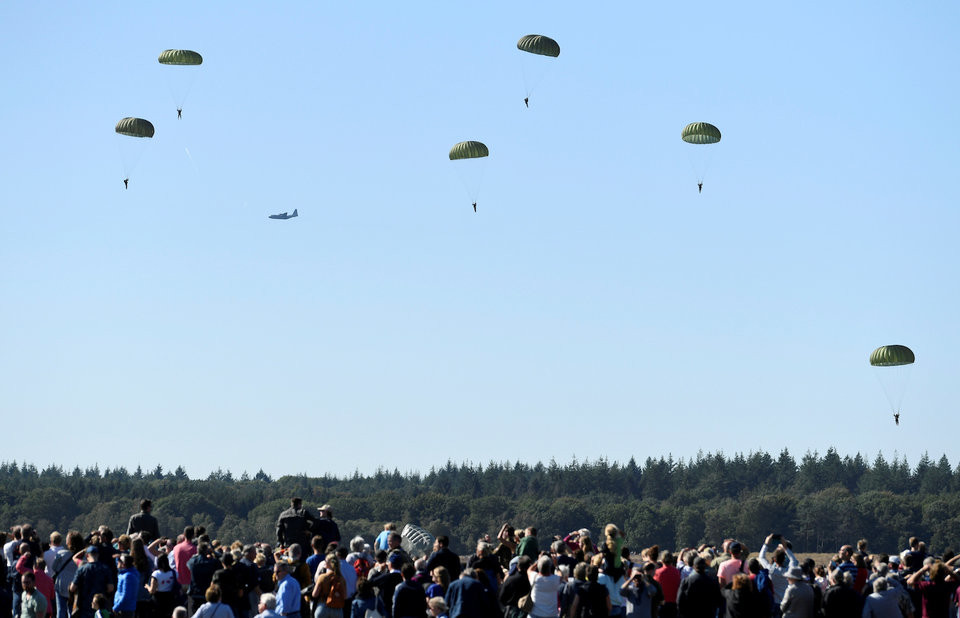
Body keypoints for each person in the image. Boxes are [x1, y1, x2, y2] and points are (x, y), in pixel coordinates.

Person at [70, 547, 114, 618]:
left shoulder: (82, 569)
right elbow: (110, 588)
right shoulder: (105, 569)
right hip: (100, 605)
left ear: (87, 555)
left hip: (84, 606)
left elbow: (72, 588)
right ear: (98, 555)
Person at [149, 554, 178, 618]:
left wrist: (147, 587)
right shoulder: (174, 572)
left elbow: (152, 590)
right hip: (170, 598)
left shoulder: (156, 574)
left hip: (158, 599)